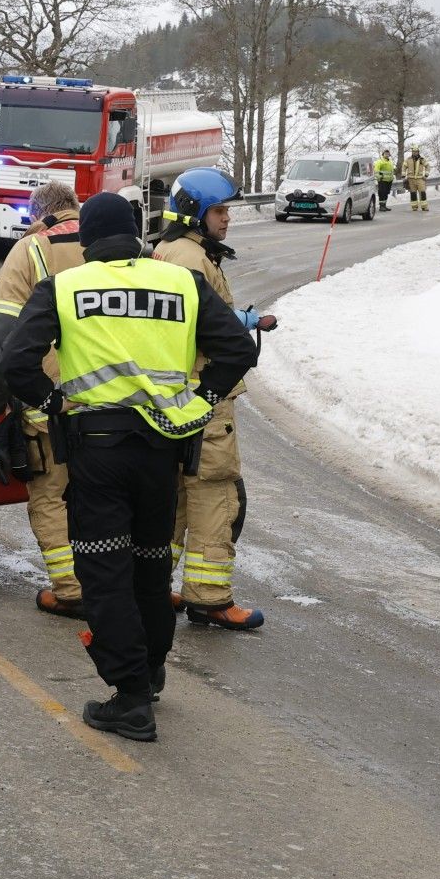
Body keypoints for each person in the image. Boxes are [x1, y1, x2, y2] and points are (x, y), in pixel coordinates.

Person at [1, 193, 256, 742]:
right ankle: (151, 670)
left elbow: (15, 360)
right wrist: (202, 402)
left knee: (103, 571)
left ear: (87, 241)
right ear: (137, 234)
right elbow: (238, 348)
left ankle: (131, 697)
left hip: (98, 450)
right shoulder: (181, 282)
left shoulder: (65, 287)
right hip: (163, 450)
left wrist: (51, 403)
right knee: (149, 566)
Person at [154, 168, 278, 630]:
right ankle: (210, 597)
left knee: (175, 499)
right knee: (214, 492)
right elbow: (208, 327)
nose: (227, 219)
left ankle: (151, 587)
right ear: (194, 213)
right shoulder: (192, 259)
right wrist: (240, 331)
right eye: (219, 211)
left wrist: (241, 318)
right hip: (203, 395)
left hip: (171, 393)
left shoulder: (170, 251)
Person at [0, 180, 86, 618]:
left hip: (50, 403)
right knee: (105, 496)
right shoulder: (117, 247)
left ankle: (71, 589)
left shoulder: (30, 250)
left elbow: (1, 336)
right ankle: (115, 580)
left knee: (51, 496)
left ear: (37, 214)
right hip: (117, 403)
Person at [403, 145, 431, 212]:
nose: (415, 152)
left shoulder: (422, 159)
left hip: (420, 179)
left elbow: (427, 166)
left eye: (416, 151)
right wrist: (403, 175)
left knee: (422, 193)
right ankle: (414, 207)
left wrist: (426, 175)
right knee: (413, 193)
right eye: (413, 151)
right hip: (411, 179)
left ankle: (424, 207)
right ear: (412, 152)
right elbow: (404, 167)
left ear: (418, 152)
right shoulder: (408, 159)